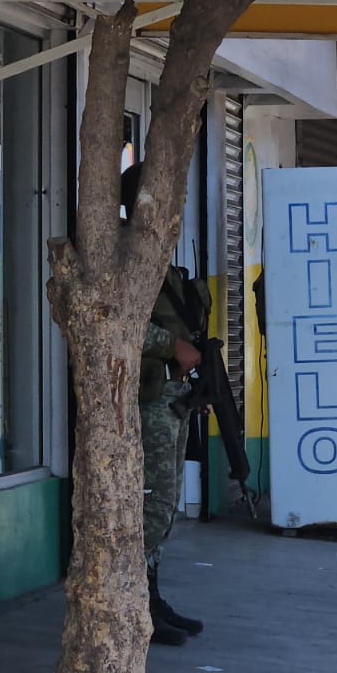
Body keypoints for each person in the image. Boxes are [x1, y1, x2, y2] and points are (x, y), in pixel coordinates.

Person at [125, 163, 206, 647]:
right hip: (147, 396)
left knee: (167, 503)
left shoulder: (163, 260)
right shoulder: (127, 253)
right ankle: (137, 604)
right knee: (152, 506)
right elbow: (119, 319)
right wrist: (169, 347)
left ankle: (151, 597)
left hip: (172, 394)